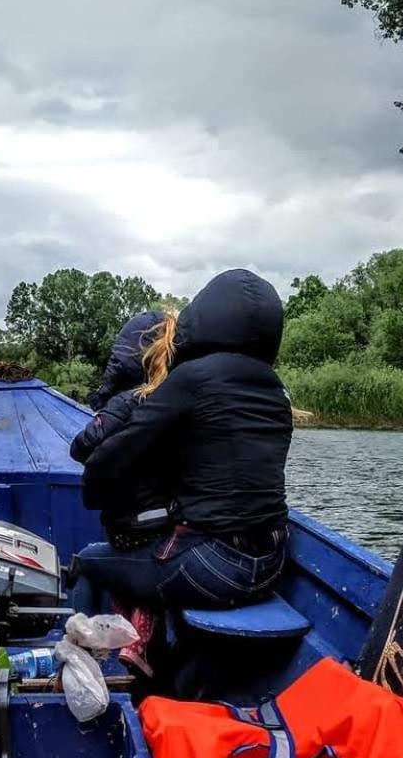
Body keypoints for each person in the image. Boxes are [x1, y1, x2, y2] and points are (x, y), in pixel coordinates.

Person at [73, 268, 292, 630]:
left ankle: (87, 662)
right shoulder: (276, 389)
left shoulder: (193, 378)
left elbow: (114, 457)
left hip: (213, 569)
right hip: (271, 564)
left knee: (89, 561)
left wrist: (94, 491)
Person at [70, 310, 170, 674]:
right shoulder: (178, 399)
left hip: (136, 532)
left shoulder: (129, 401)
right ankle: (135, 629)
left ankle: (79, 654)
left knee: (87, 562)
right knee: (135, 555)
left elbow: (82, 446)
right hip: (171, 528)